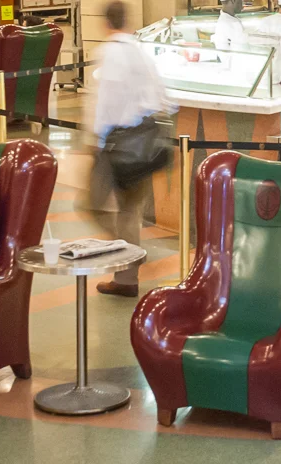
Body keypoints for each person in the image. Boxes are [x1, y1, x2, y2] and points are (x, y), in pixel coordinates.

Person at [87, 1, 169, 297]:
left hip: (115, 143)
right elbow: (163, 98)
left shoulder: (110, 53)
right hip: (143, 142)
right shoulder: (140, 50)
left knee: (93, 205)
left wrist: (95, 142)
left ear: (106, 23)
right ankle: (126, 279)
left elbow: (105, 103)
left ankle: (131, 253)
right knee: (129, 210)